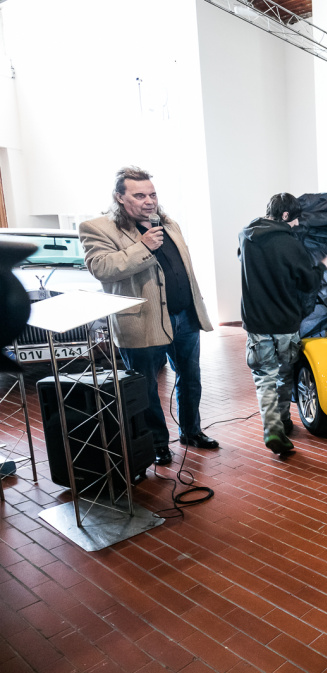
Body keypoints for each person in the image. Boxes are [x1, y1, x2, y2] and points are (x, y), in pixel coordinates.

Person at [79, 166, 217, 470]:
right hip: (142, 321)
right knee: (146, 388)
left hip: (185, 317)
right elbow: (102, 268)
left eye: (152, 194)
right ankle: (156, 443)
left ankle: (191, 431)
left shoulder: (168, 223)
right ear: (119, 197)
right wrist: (143, 247)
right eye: (139, 195)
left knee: (190, 378)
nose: (149, 201)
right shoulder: (98, 228)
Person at [238, 193, 327, 457]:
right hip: (285, 323)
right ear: (284, 215)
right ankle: (282, 421)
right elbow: (308, 282)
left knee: (264, 378)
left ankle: (273, 428)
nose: (297, 224)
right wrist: (323, 267)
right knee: (283, 375)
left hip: (256, 324)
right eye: (295, 219)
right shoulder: (290, 244)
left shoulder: (246, 236)